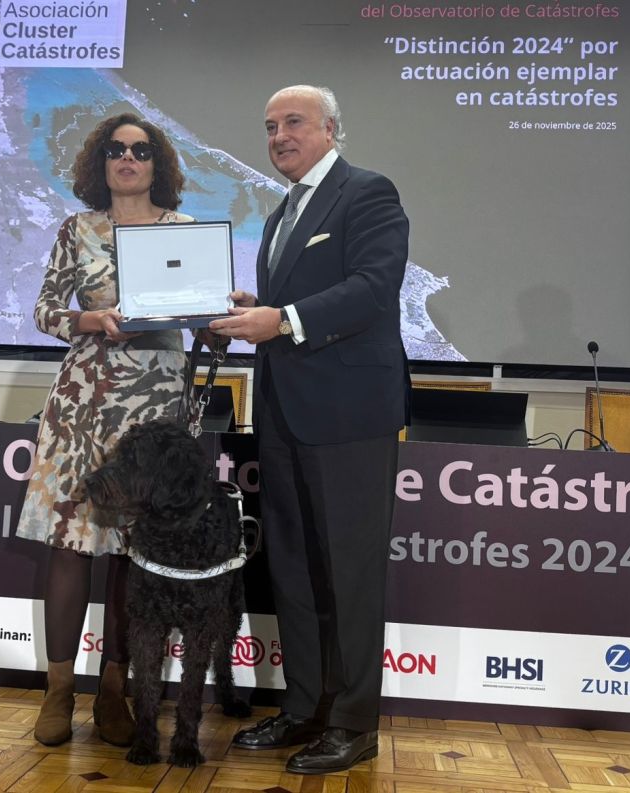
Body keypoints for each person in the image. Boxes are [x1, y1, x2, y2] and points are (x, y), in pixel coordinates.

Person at [210, 85, 410, 774]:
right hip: (283, 414)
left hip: (349, 416)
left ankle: (353, 723)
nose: (278, 137)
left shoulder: (368, 193)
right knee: (293, 569)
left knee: (349, 572)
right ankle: (304, 707)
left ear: (330, 129)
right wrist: (257, 308)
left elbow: (374, 289)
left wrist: (283, 318)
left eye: (293, 122)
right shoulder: (282, 212)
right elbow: (291, 304)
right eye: (269, 127)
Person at [15, 112, 195, 747]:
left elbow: (200, 310)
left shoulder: (185, 232)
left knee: (134, 550)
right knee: (69, 544)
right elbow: (44, 310)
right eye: (117, 150)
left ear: (157, 164)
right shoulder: (77, 230)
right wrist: (89, 321)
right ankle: (59, 691)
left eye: (141, 150)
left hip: (154, 407)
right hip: (82, 404)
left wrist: (215, 318)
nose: (128, 159)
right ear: (101, 162)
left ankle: (116, 691)